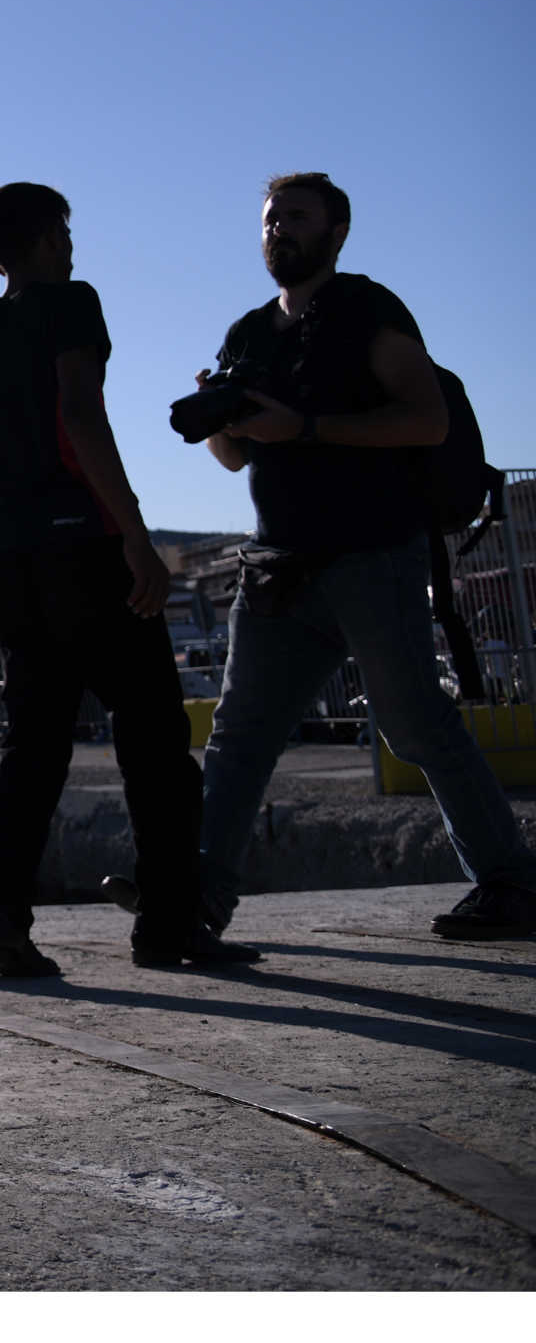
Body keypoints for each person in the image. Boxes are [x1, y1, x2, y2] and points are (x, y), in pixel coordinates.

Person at [195, 173, 536, 940]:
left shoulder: (365, 310)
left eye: (297, 217)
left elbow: (425, 419)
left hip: (370, 558)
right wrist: (217, 415)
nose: (278, 230)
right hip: (277, 567)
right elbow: (231, 459)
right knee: (240, 738)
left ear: (336, 233)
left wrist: (309, 428)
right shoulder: (249, 333)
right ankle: (196, 902)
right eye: (270, 219)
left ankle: (511, 885)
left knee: (415, 727)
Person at [0, 185, 256, 978]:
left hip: (17, 564)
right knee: (153, 740)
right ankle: (167, 927)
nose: (74, 246)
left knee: (33, 750)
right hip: (88, 549)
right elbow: (82, 418)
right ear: (49, 238)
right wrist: (136, 539)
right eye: (67, 232)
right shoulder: (72, 303)